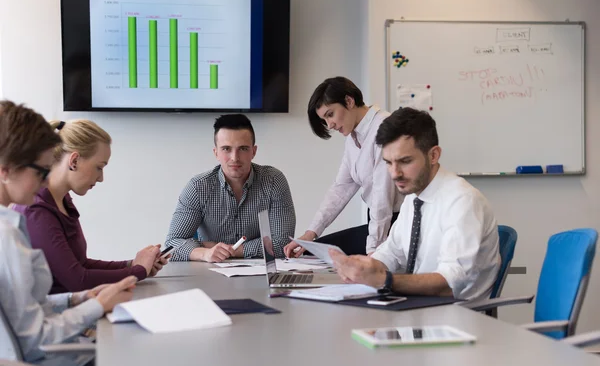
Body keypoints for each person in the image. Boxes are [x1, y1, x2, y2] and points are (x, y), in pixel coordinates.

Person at [0, 100, 137, 366]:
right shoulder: (7, 237)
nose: (45, 179)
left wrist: (77, 299)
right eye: (41, 170)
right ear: (6, 170)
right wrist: (97, 306)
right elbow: (36, 338)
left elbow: (21, 310)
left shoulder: (11, 226)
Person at [330, 107, 500, 300]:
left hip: (453, 318)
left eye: (405, 161)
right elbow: (391, 254)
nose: (395, 173)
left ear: (433, 155)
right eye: (388, 162)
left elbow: (451, 283)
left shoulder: (463, 201)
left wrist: (385, 281)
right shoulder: (413, 198)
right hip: (417, 309)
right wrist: (362, 268)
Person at [14, 119, 166, 294]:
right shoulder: (37, 210)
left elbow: (80, 263)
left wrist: (132, 264)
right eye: (99, 167)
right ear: (74, 160)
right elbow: (78, 280)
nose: (101, 178)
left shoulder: (62, 201)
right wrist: (139, 271)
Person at [284, 76, 401, 257]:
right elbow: (341, 188)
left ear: (349, 101)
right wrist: (311, 233)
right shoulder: (353, 137)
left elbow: (382, 198)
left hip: (398, 223)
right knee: (311, 250)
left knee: (326, 255)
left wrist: (372, 251)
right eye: (324, 119)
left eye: (330, 114)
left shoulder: (383, 128)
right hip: (380, 220)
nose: (329, 125)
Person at [165, 114, 296, 262]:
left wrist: (228, 249)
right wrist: (205, 253)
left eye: (243, 149)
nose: (235, 157)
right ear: (216, 153)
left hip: (259, 272)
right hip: (208, 272)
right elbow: (172, 244)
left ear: (254, 151)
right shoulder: (198, 187)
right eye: (226, 149)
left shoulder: (273, 181)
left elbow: (282, 244)